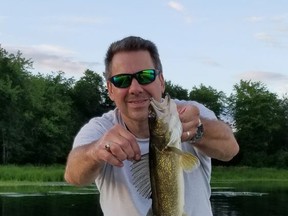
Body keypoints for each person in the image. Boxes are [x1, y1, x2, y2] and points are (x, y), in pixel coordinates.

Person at [64, 36, 239, 216]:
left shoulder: (192, 113)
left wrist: (198, 130)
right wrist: (95, 152)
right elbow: (73, 175)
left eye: (145, 76)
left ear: (161, 81)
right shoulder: (100, 129)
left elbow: (230, 149)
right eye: (122, 80)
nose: (135, 88)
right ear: (110, 89)